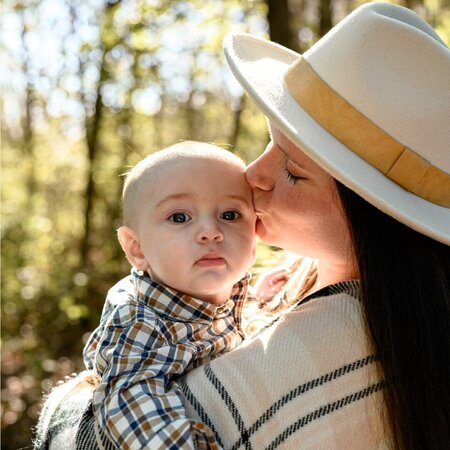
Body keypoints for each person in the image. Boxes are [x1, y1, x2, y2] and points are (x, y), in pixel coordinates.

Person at [33, 2, 450, 449]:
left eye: (293, 170)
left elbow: (89, 433)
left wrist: (72, 397)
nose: (254, 174)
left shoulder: (317, 354)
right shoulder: (274, 286)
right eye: (271, 141)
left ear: (374, 216)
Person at [80, 141, 258, 449]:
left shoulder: (233, 293)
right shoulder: (141, 323)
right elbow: (131, 402)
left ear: (255, 238)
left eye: (230, 214)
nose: (210, 231)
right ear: (137, 249)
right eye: (179, 217)